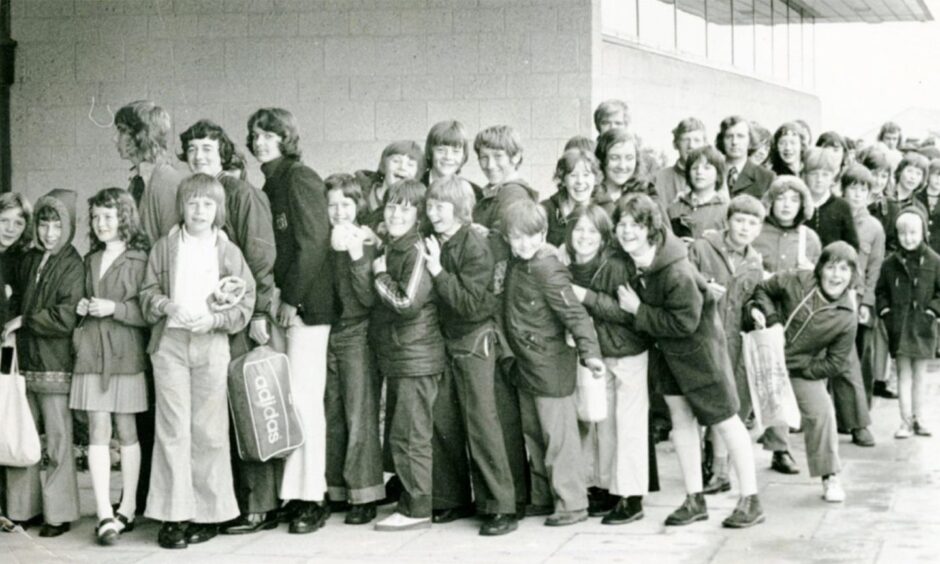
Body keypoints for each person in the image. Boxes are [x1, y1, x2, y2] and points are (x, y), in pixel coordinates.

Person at [613, 193, 763, 529]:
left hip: (701, 358)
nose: (627, 232)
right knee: (682, 423)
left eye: (635, 225)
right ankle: (695, 499)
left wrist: (639, 311)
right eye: (621, 224)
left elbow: (684, 323)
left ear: (651, 229)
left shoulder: (676, 270)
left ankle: (751, 499)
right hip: (671, 357)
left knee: (727, 422)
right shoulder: (644, 260)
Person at [140, 174, 255, 549]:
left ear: (218, 209)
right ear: (182, 207)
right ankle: (175, 516)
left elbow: (245, 301)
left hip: (211, 344)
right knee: (173, 428)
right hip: (170, 343)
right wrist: (166, 305)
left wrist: (216, 320)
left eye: (207, 204)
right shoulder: (165, 246)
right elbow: (147, 293)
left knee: (209, 429)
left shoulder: (227, 251)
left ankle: (208, 514)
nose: (199, 210)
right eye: (193, 203)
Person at [178, 119, 280, 535]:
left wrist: (257, 314)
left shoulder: (240, 194)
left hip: (239, 319)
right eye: (193, 149)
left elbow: (261, 255)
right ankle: (224, 503)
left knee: (245, 407)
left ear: (223, 152)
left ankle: (260, 505)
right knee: (213, 417)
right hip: (202, 324)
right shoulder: (191, 198)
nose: (200, 155)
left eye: (208, 148)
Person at [249, 107, 336, 535]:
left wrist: (294, 300)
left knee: (304, 402)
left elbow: (314, 242)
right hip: (286, 305)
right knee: (288, 402)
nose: (261, 141)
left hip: (307, 309)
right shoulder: (271, 181)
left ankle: (312, 497)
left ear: (286, 138)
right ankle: (293, 493)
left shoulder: (299, 177)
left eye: (269, 134)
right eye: (256, 135)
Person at [422, 176, 518, 536]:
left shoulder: (474, 244)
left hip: (475, 341)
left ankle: (500, 506)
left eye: (441, 207)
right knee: (444, 420)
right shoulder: (439, 240)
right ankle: (452, 498)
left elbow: (472, 305)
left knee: (482, 424)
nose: (433, 213)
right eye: (430, 206)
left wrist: (437, 272)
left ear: (461, 211)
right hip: (448, 342)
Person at [501, 198, 604, 527]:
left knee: (559, 439)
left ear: (544, 233)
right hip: (527, 365)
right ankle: (544, 497)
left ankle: (572, 503)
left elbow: (575, 314)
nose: (524, 243)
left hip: (551, 367)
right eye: (516, 237)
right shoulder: (518, 263)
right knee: (535, 434)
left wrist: (590, 354)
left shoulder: (547, 266)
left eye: (532, 236)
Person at [749, 242, 860, 503]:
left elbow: (835, 363)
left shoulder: (846, 316)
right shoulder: (798, 280)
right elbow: (764, 288)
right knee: (736, 409)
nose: (836, 275)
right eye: (831, 267)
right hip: (761, 354)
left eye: (844, 269)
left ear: (852, 275)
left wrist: (803, 368)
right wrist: (772, 318)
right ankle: (718, 467)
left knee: (822, 413)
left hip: (798, 368)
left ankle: (830, 475)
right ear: (820, 268)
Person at [1, 189, 83, 538]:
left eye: (57, 225)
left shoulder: (72, 263)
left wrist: (24, 320)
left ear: (69, 227)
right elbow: (15, 298)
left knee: (58, 441)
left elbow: (66, 316)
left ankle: (59, 513)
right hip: (25, 361)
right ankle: (24, 508)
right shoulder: (30, 259)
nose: (50, 233)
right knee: (24, 433)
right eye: (45, 224)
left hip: (55, 364)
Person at [72, 188, 150, 545]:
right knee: (97, 430)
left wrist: (114, 309)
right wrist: (86, 307)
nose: (100, 223)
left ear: (124, 218)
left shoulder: (140, 259)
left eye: (108, 216)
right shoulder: (90, 260)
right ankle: (104, 512)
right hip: (92, 353)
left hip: (125, 352)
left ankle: (128, 507)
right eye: (96, 217)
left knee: (127, 429)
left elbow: (148, 312)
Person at [566, 205, 651, 525]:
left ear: (604, 238)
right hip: (599, 355)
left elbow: (628, 312)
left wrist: (586, 297)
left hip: (627, 352)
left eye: (592, 231)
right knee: (603, 423)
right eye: (579, 230)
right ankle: (605, 488)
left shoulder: (614, 265)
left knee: (628, 425)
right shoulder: (571, 266)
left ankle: (632, 496)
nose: (585, 237)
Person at [371, 180, 446, 531]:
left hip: (417, 357)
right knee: (402, 433)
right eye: (391, 206)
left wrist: (380, 276)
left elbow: (406, 301)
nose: (396, 213)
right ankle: (411, 502)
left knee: (412, 435)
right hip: (402, 355)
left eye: (405, 208)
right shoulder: (392, 247)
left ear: (418, 216)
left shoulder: (415, 249)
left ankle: (417, 509)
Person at [688, 195, 766, 494]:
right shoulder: (702, 249)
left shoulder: (754, 262)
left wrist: (758, 310)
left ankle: (720, 470)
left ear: (759, 229)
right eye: (739, 220)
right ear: (728, 221)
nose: (745, 228)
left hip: (732, 343)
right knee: (694, 408)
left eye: (752, 223)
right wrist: (704, 290)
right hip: (700, 339)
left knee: (725, 407)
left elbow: (755, 297)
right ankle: (698, 464)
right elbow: (683, 285)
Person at [322, 174, 384, 525]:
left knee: (359, 414)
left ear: (358, 205)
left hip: (358, 333)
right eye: (332, 204)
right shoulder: (324, 240)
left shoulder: (365, 239)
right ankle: (338, 490)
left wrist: (358, 253)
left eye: (345, 203)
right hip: (328, 333)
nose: (339, 211)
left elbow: (366, 297)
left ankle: (366, 493)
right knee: (332, 412)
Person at [751, 176, 820, 473]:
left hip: (792, 318)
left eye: (794, 199)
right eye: (781, 198)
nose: (787, 205)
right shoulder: (757, 233)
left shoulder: (809, 238)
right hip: (760, 313)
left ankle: (780, 448)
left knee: (781, 379)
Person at [877, 207, 940, 439]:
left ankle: (919, 418)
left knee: (920, 376)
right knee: (903, 374)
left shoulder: (934, 260)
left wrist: (933, 312)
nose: (908, 238)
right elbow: (881, 291)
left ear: (923, 232)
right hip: (900, 327)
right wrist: (886, 312)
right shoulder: (889, 263)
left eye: (913, 232)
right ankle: (904, 421)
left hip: (923, 327)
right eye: (903, 233)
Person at [0, 193, 35, 528]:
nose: (10, 228)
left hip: (4, 350)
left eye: (18, 222)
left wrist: (20, 321)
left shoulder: (17, 260)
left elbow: (25, 303)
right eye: (4, 220)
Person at [842, 165, 887, 406]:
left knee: (861, 354)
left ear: (870, 194)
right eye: (852, 188)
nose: (857, 194)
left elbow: (875, 267)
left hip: (861, 299)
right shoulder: (836, 217)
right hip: (836, 297)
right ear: (843, 190)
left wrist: (868, 302)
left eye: (863, 189)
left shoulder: (874, 227)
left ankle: (861, 408)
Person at [113, 100, 187, 241]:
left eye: (122, 130)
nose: (115, 138)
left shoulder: (166, 181)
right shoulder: (138, 179)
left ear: (141, 135)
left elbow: (170, 247)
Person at [472, 125, 538, 233]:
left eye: (498, 156)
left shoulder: (514, 193)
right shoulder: (494, 192)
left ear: (515, 157)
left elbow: (502, 241)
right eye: (484, 157)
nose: (490, 165)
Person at [543, 149, 607, 246]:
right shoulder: (546, 210)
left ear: (596, 179)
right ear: (563, 180)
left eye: (586, 175)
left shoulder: (605, 211)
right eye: (573, 175)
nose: (580, 181)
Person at [357, 141, 425, 230]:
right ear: (384, 165)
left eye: (410, 164)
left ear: (417, 173)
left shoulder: (418, 205)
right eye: (396, 161)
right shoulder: (359, 192)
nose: (402, 167)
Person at [667, 145, 729, 240]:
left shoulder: (726, 210)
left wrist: (718, 240)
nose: (699, 172)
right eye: (695, 168)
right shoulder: (674, 208)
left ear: (718, 175)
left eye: (707, 168)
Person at [802, 148, 860, 250]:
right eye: (814, 174)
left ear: (833, 177)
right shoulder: (799, 204)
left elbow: (852, 247)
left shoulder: (842, 206)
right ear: (805, 175)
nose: (819, 179)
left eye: (825, 175)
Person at [716, 116, 775, 199]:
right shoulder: (712, 172)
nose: (734, 142)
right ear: (722, 140)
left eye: (740, 136)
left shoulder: (766, 177)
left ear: (750, 140)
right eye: (729, 136)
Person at [652, 117, 707, 206]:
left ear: (705, 145)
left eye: (697, 140)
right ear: (675, 144)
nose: (691, 146)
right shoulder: (659, 179)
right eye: (685, 140)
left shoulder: (714, 178)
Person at [914, 158, 940, 255]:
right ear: (928, 176)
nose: (938, 180)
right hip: (918, 247)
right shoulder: (916, 196)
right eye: (935, 175)